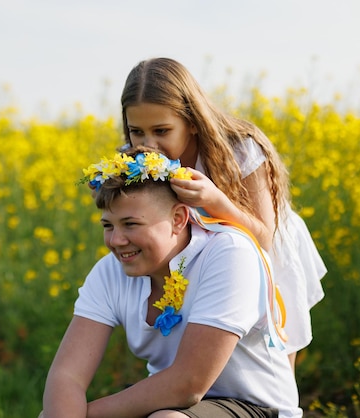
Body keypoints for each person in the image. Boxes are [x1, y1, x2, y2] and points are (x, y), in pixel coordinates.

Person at [41, 146, 301, 417]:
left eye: (131, 224)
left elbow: (189, 385)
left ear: (178, 219)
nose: (116, 241)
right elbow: (67, 376)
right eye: (108, 226)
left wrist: (86, 415)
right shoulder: (111, 271)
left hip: (255, 407)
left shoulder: (229, 253)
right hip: (169, 403)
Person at [119, 57, 326, 367]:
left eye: (162, 131)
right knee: (215, 350)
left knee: (274, 348)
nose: (149, 146)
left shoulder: (239, 149)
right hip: (206, 256)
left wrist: (217, 202)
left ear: (191, 121)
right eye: (137, 132)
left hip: (267, 251)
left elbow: (265, 237)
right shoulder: (135, 159)